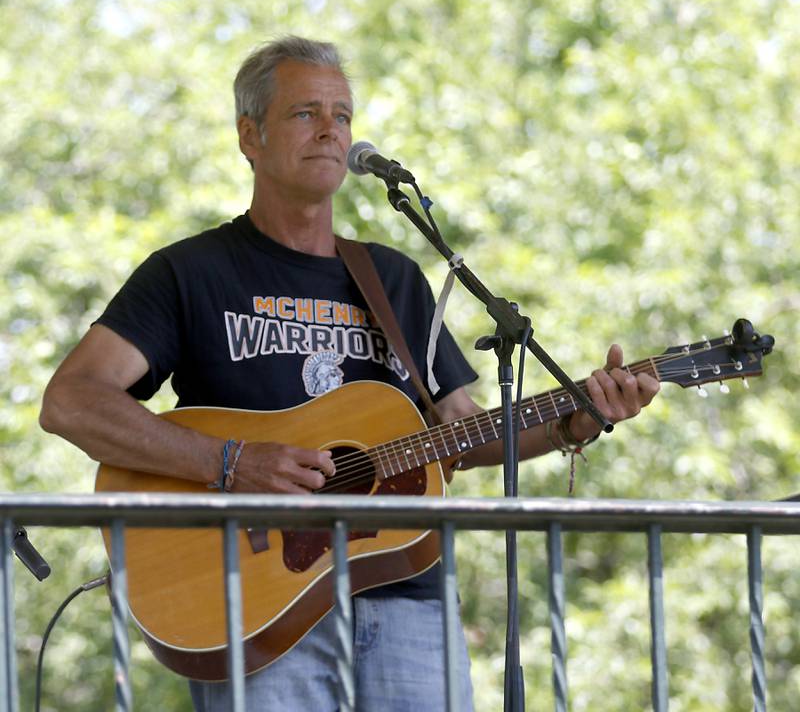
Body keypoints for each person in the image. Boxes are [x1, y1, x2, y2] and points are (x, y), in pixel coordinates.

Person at [39, 36, 660, 711]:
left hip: (408, 598)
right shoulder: (189, 272)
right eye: (305, 113)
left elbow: (461, 433)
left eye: (342, 115)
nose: (330, 130)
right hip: (257, 603)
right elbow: (71, 402)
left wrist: (580, 418)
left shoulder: (392, 277)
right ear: (250, 136)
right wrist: (229, 461)